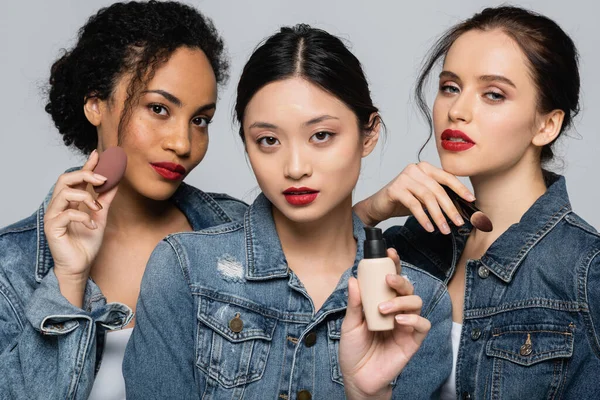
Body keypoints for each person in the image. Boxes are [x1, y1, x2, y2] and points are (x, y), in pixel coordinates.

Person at [124, 24, 452, 399]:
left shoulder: (418, 303)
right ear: (247, 144)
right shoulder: (184, 269)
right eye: (268, 140)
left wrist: (368, 395)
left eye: (321, 136)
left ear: (369, 134)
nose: (295, 167)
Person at [0, 2, 247, 399]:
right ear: (96, 104)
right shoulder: (9, 269)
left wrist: (372, 212)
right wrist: (68, 279)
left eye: (200, 120)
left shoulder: (239, 233)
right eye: (159, 109)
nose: (183, 143)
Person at [354, 6, 600, 399]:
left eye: (493, 94)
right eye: (450, 87)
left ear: (546, 124)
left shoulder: (585, 270)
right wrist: (371, 210)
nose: (457, 111)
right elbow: (298, 306)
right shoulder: (411, 245)